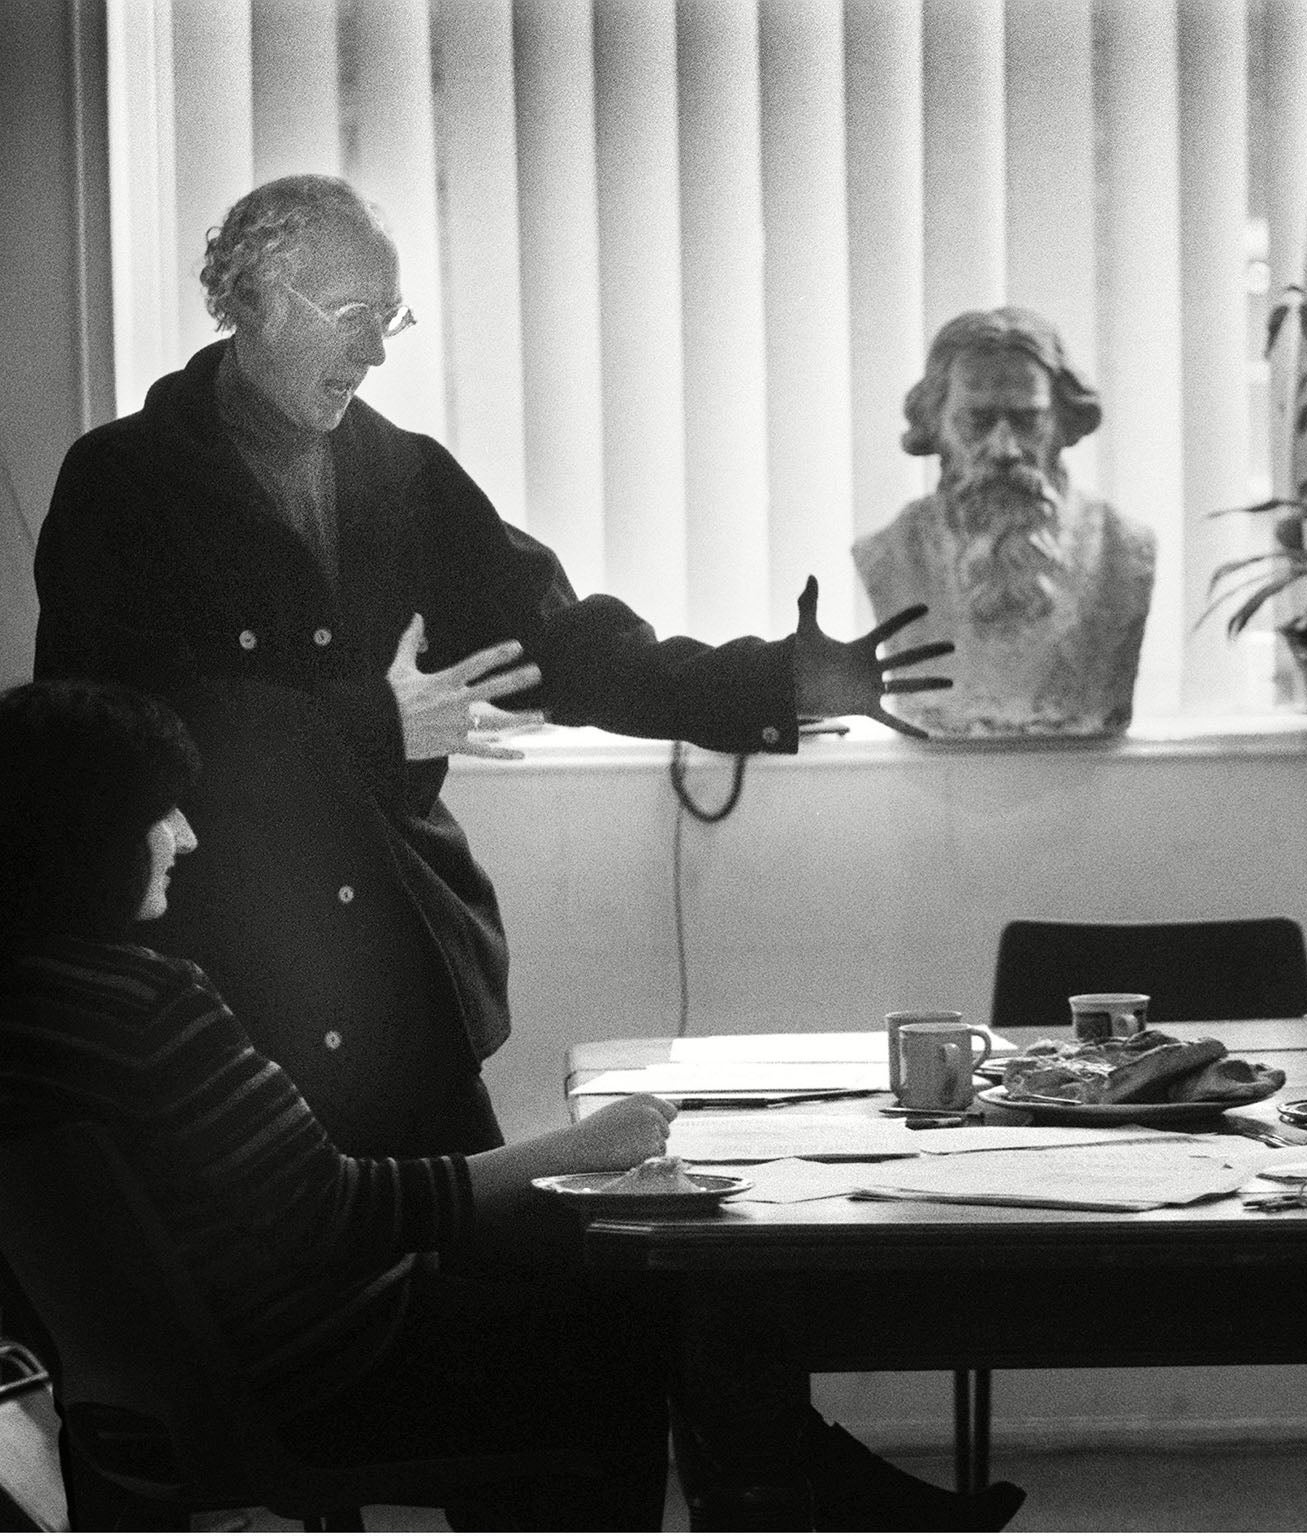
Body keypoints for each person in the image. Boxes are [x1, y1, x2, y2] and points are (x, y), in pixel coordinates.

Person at [34, 172, 952, 1162]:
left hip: (397, 979)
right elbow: (98, 739)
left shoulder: (406, 476)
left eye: (391, 318)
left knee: (496, 1271)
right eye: (350, 313)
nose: (376, 349)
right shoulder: (122, 482)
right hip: (227, 976)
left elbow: (560, 649)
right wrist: (365, 724)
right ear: (250, 300)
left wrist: (762, 685)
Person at [0, 679, 1027, 1534]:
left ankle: (820, 1498)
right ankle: (816, 1502)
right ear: (85, 837)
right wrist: (582, 1148)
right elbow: (341, 1217)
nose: (184, 836)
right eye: (156, 814)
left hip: (159, 1397)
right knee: (633, 1310)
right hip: (319, 1377)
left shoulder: (31, 1004)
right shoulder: (143, 1003)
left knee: (601, 1278)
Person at [852, 307, 1155, 737]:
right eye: (977, 421)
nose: (1005, 449)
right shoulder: (892, 553)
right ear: (936, 424)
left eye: (1028, 420)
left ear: (1061, 422)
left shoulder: (1123, 550)